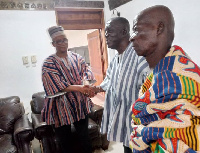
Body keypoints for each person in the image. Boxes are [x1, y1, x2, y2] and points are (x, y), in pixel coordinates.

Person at [129, 5, 200, 153]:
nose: (132, 37)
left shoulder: (180, 76)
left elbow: (189, 135)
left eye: (136, 29)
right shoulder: (158, 73)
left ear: (159, 28)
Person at [93, 17, 149, 153]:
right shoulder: (115, 59)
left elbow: (152, 91)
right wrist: (93, 89)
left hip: (141, 129)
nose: (105, 36)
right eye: (105, 32)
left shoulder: (140, 57)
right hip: (126, 126)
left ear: (124, 32)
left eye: (109, 32)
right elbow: (109, 82)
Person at [41, 25, 95, 153]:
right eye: (58, 41)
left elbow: (86, 70)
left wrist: (86, 83)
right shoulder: (48, 63)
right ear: (53, 44)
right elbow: (55, 84)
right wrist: (80, 88)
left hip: (79, 104)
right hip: (60, 108)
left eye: (64, 40)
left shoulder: (77, 57)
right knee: (65, 141)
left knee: (84, 137)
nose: (63, 43)